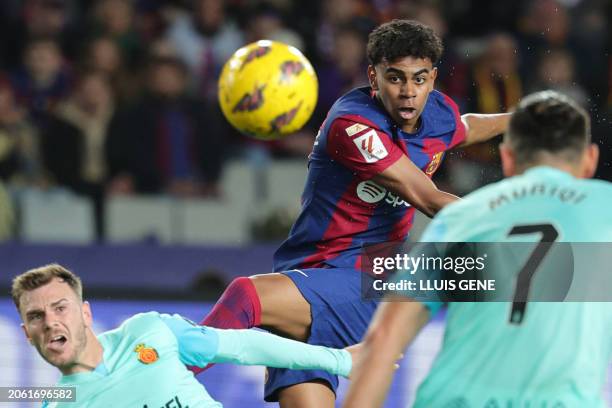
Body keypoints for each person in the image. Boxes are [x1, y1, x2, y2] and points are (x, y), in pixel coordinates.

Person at [197, 19, 511, 407]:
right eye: (395, 78)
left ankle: (168, 369)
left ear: (432, 78)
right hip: (307, 273)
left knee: (247, 293)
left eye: (418, 79)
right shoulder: (353, 124)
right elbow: (427, 199)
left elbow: (462, 128)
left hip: (369, 274)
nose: (408, 93)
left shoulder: (438, 112)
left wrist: (518, 120)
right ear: (373, 77)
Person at [343, 90, 612, 407]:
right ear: (590, 160)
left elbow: (383, 340)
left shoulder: (462, 218)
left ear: (508, 158)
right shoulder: (605, 209)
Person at [11, 263, 368, 408]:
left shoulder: (147, 330)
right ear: (27, 334)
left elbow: (243, 345)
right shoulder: (58, 401)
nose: (51, 323)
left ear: (85, 312)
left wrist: (339, 359)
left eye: (60, 308)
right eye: (37, 317)